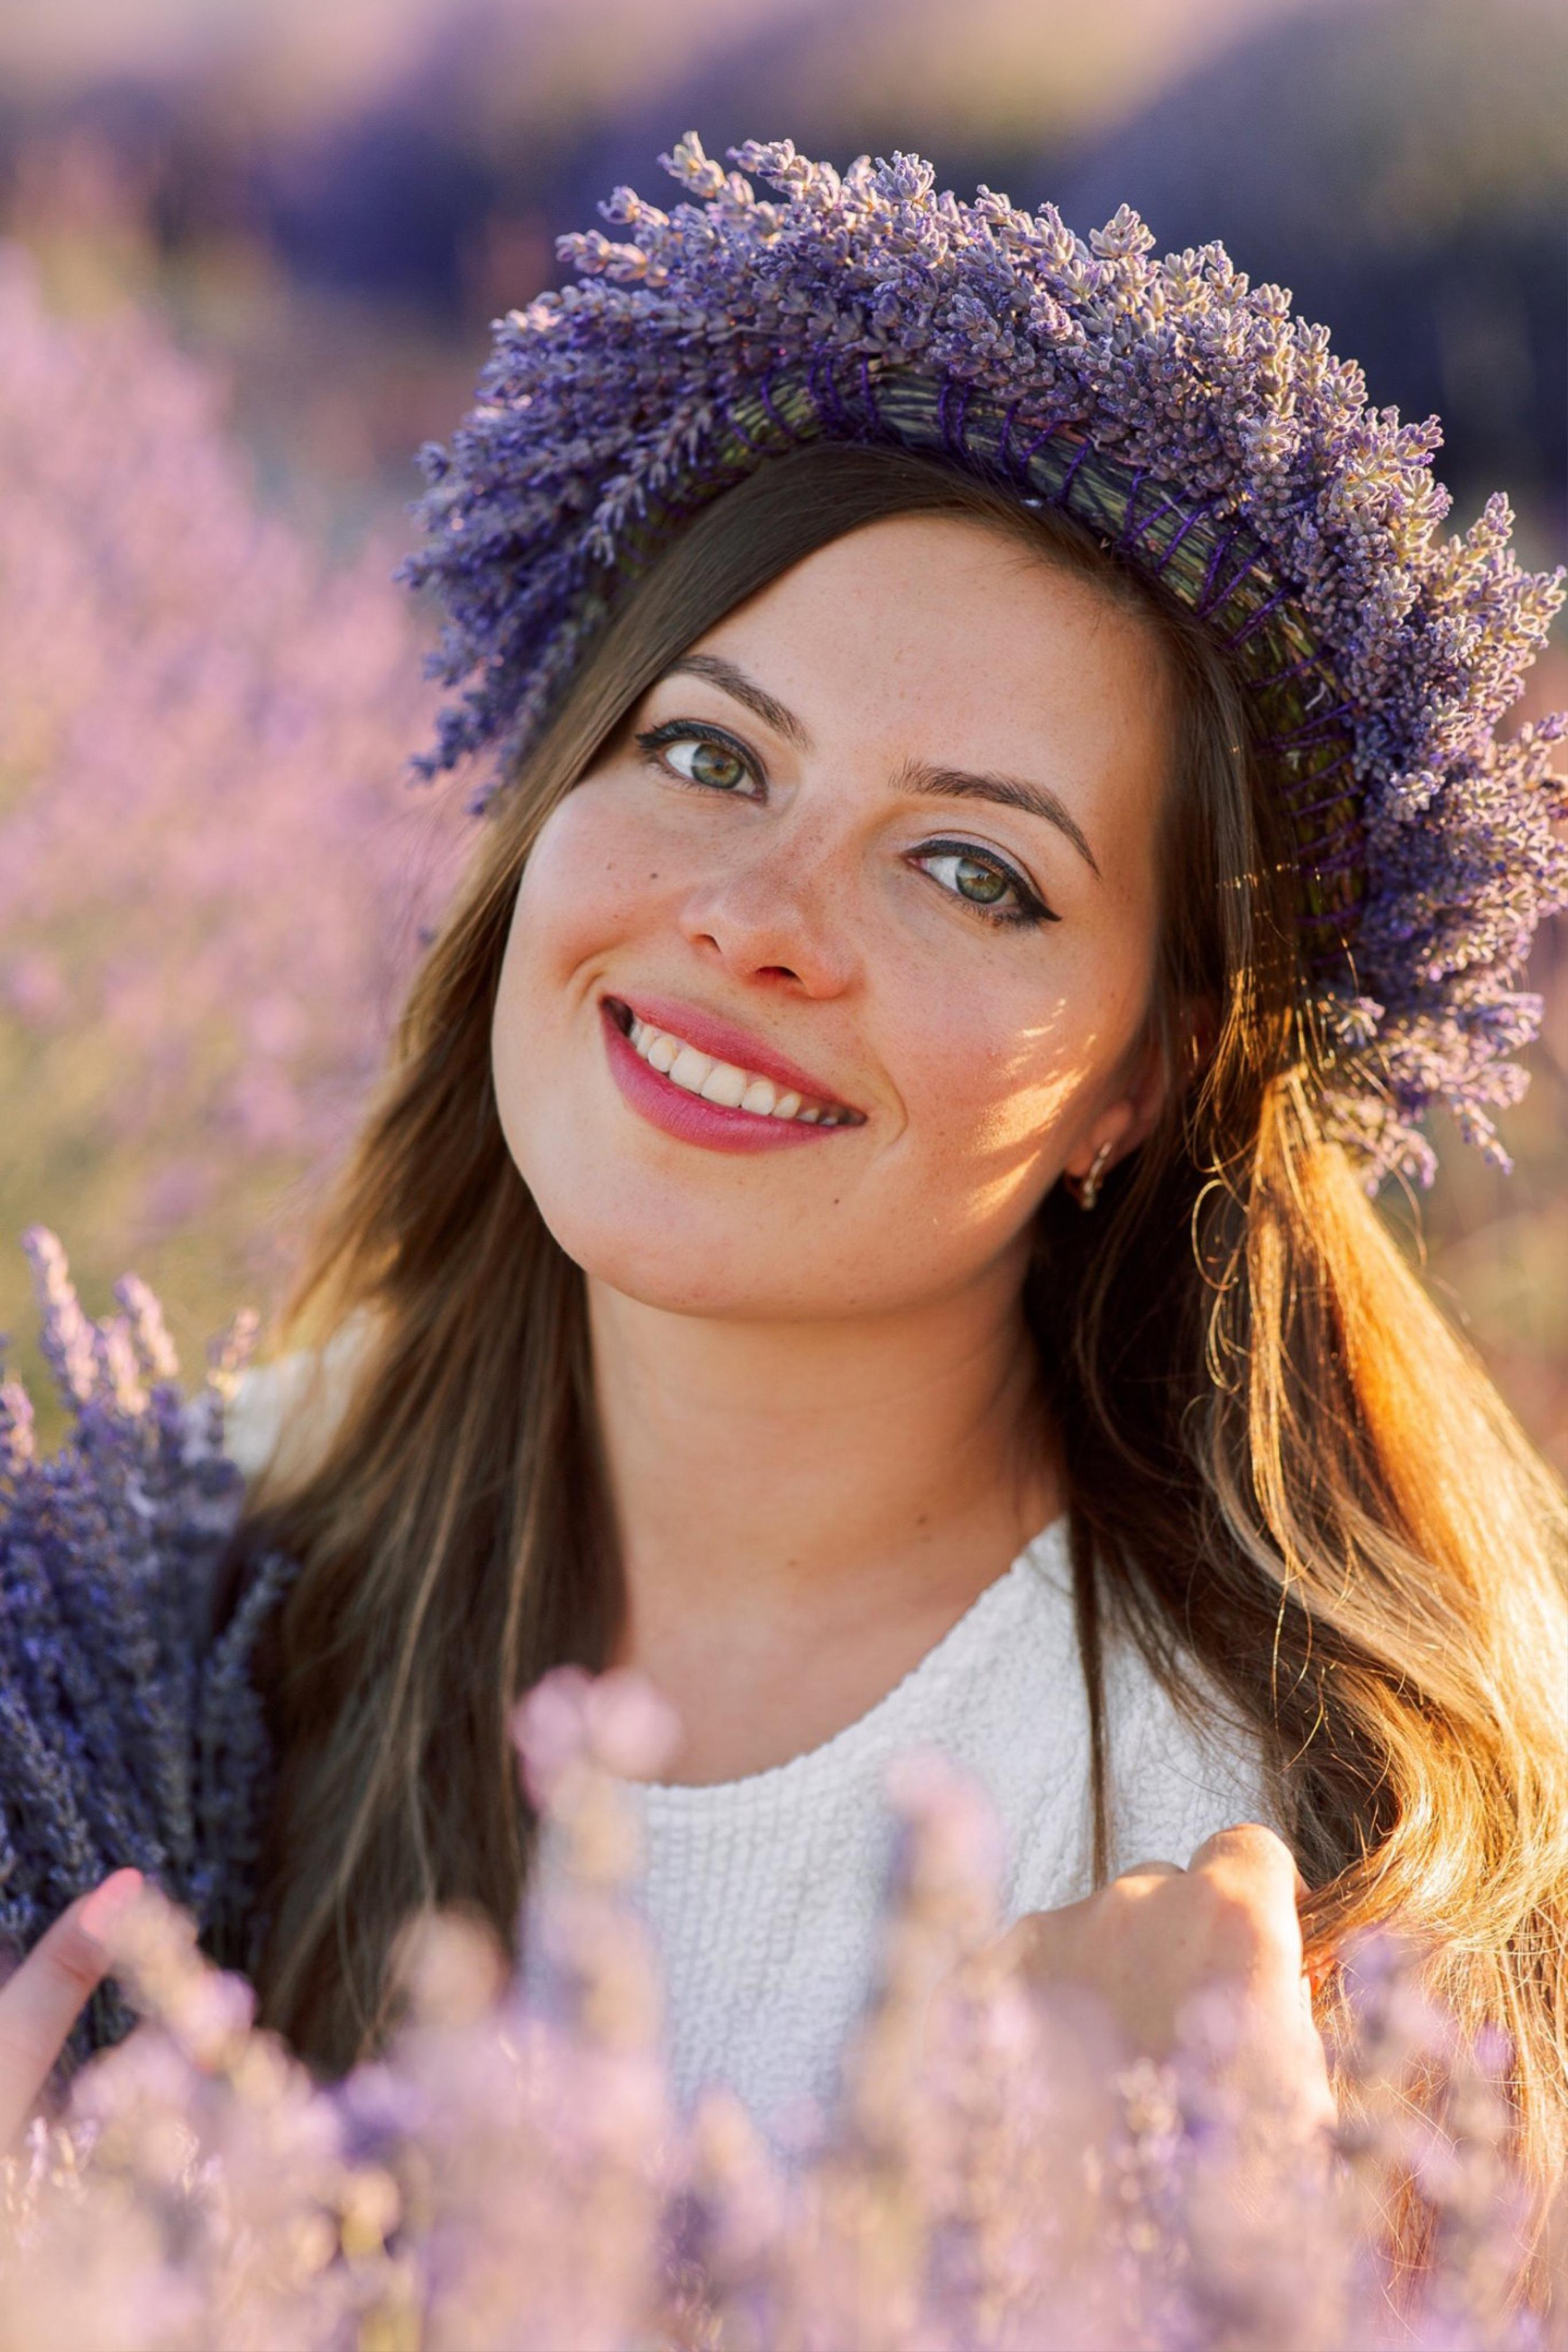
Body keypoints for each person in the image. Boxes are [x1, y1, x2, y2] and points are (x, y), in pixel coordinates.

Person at [2, 137, 1564, 2249]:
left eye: (970, 871)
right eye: (712, 755)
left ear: (1145, 1079)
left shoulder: (1283, 1867)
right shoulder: (164, 1611)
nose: (756, 921)